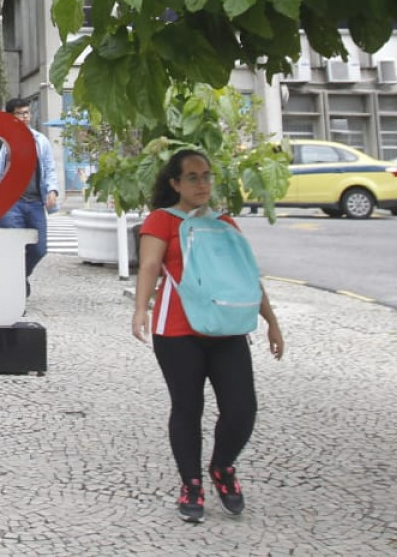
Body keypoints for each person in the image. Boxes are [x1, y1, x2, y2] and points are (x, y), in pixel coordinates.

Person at [131, 148, 285, 524]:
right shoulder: (161, 220)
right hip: (178, 330)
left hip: (228, 327)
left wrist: (271, 321)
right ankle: (192, 484)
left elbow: (245, 275)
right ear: (175, 183)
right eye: (193, 177)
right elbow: (150, 265)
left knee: (242, 409)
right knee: (187, 408)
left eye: (206, 176)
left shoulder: (226, 222)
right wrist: (140, 309)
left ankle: (222, 467)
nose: (202, 184)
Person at [0, 96, 60, 296]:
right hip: (8, 205)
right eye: (20, 113)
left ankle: (19, 278)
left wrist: (52, 190)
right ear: (10, 117)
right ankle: (14, 295)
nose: (25, 117)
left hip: (34, 203)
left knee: (39, 249)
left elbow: (49, 168)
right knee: (14, 248)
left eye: (27, 113)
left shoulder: (40, 140)